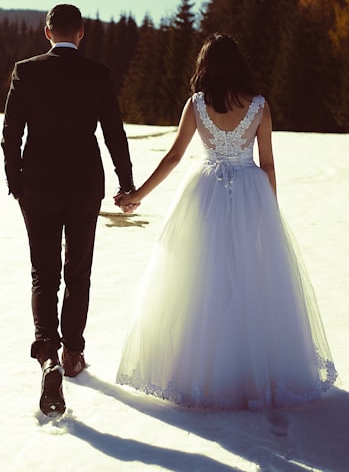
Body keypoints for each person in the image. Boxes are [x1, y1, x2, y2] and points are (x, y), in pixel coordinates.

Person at [115, 33, 337, 410]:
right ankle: (251, 374)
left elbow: (173, 157)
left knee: (203, 280)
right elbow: (267, 165)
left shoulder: (197, 105)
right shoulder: (260, 107)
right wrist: (269, 216)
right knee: (250, 280)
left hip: (205, 195)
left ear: (206, 66)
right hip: (251, 194)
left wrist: (137, 195)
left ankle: (202, 375)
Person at [1, 3, 135, 417]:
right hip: (83, 186)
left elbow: (10, 133)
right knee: (78, 272)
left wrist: (16, 182)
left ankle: (48, 355)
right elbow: (114, 132)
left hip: (38, 185)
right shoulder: (97, 75)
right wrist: (125, 181)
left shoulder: (26, 70)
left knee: (44, 273)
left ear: (47, 32)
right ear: (81, 33)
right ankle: (73, 353)